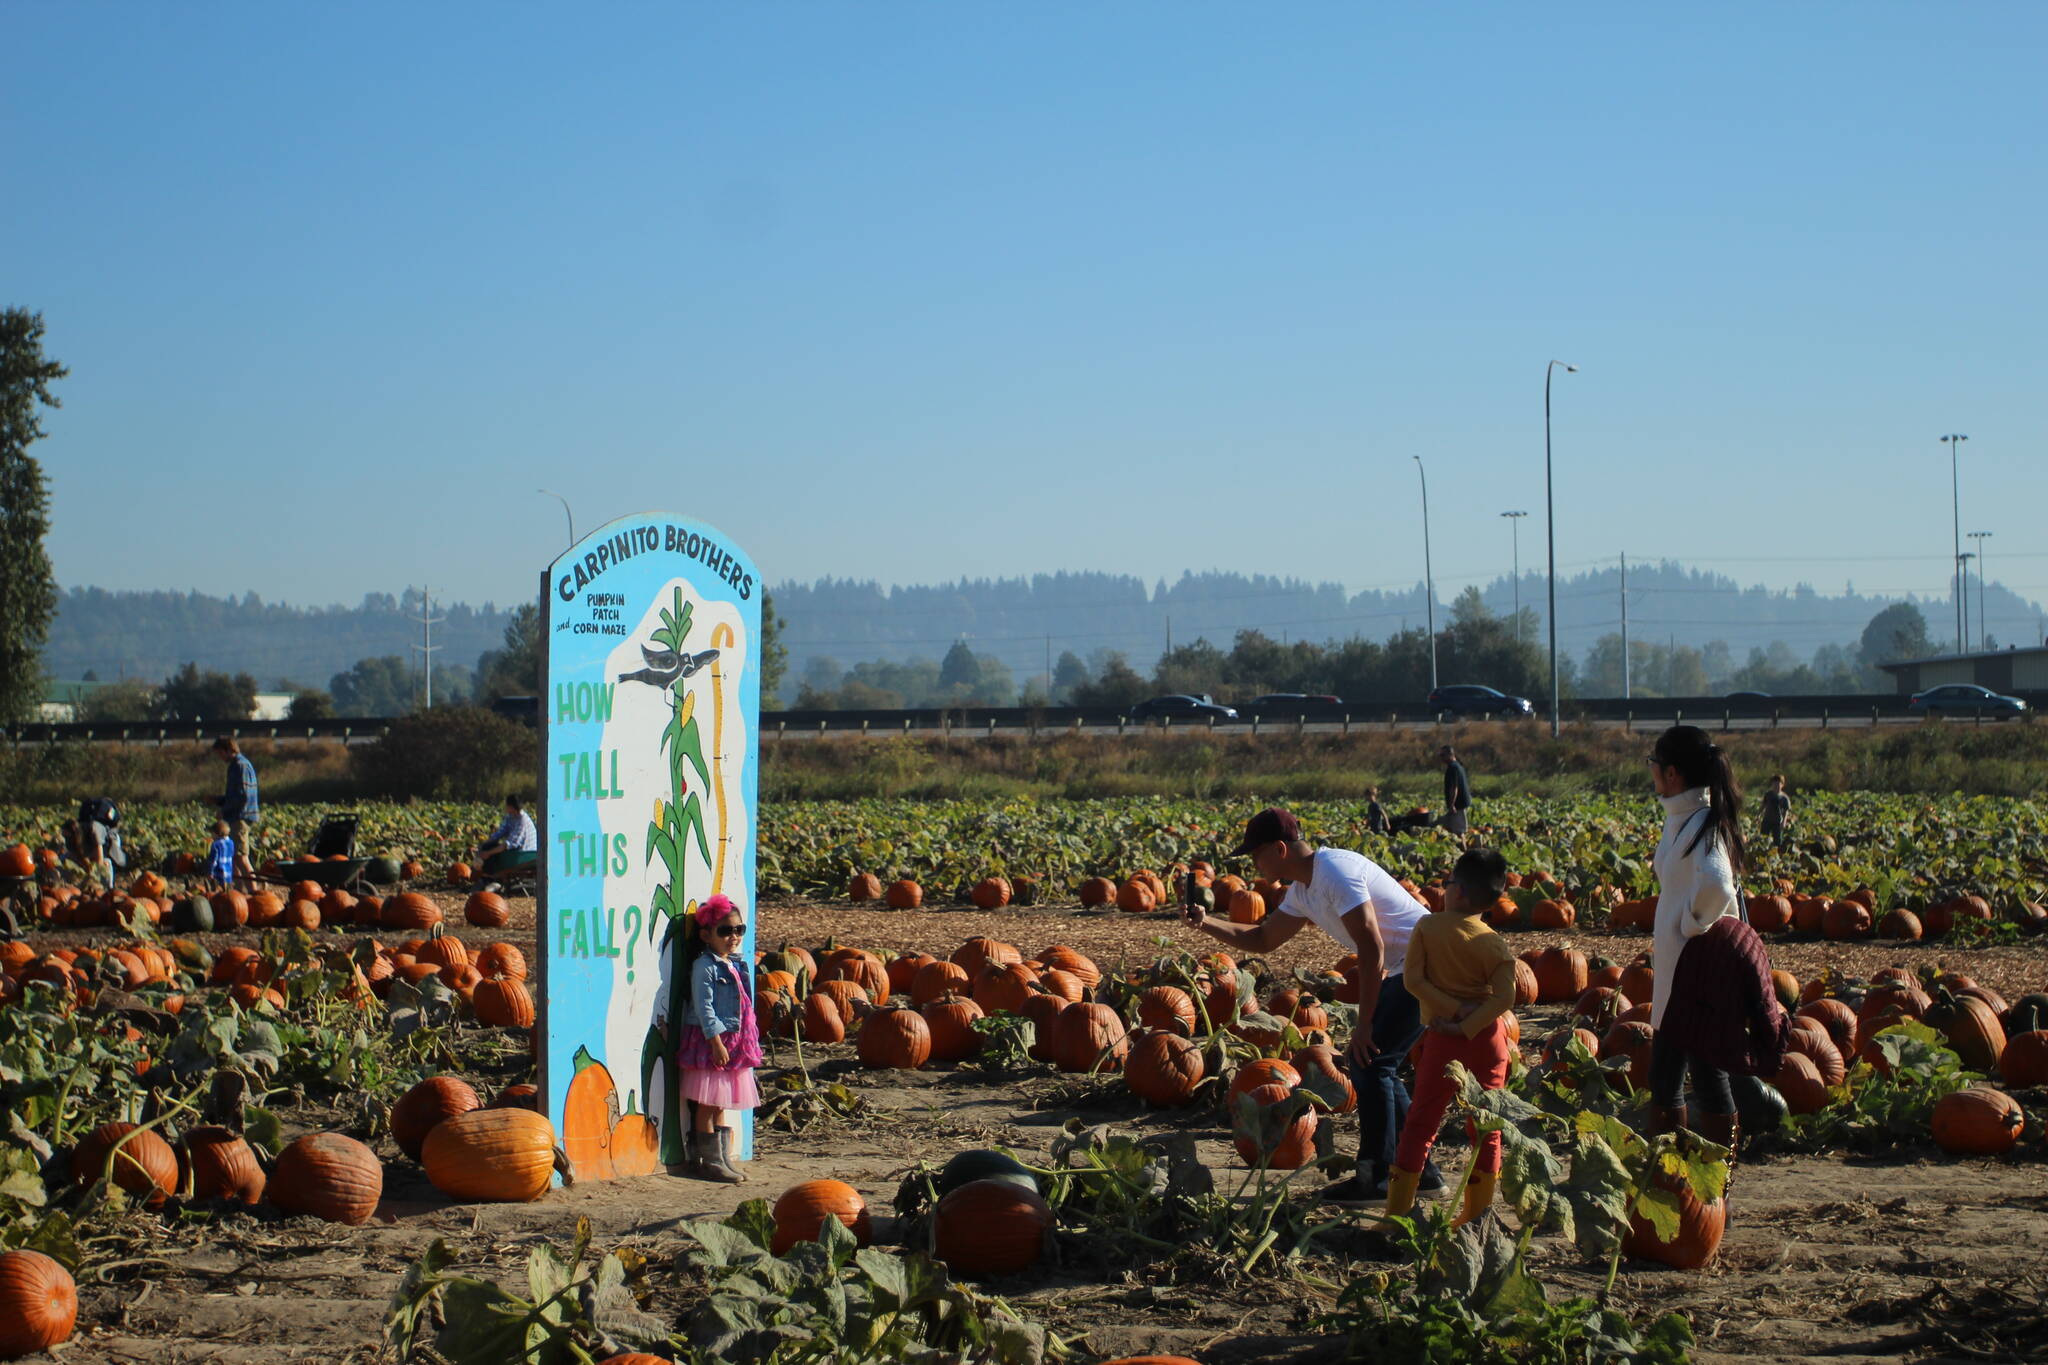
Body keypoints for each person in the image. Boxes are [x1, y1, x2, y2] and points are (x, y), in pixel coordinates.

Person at [1180, 806, 1435, 1207]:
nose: (1252, 862)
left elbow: (1371, 948)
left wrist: (1363, 1024)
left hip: (1428, 963)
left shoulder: (1335, 870)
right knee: (1376, 1065)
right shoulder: (1303, 890)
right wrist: (1205, 923)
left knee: (1372, 1062)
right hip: (1407, 968)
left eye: (1255, 854)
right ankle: (1421, 1171)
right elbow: (1264, 939)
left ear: (1279, 849)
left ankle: (1378, 1175)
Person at [1386, 847, 1520, 1225]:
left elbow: (1413, 981)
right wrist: (1470, 1021)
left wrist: (1452, 1013)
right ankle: (1476, 1217)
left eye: (1446, 884)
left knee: (1421, 1122)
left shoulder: (1428, 927)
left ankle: (1397, 1215)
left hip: (1443, 1039)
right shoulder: (1493, 943)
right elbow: (1507, 997)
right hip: (1488, 1039)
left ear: (1457, 890)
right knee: (1485, 1128)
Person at [1645, 725, 1752, 1147]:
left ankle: (1713, 1192)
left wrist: (1690, 926)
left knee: (1706, 1077)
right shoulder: (1685, 819)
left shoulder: (1702, 826)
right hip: (1683, 974)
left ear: (1672, 773)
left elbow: (1718, 886)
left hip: (1700, 975)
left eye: (1653, 762)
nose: (1650, 770)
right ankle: (1675, 1182)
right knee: (1668, 1076)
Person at [675, 892, 762, 1183]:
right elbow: (704, 1006)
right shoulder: (705, 966)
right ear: (706, 934)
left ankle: (723, 1157)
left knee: (721, 1102)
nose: (734, 936)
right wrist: (714, 1041)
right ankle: (709, 1161)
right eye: (725, 931)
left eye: (739, 930)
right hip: (713, 1041)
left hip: (734, 1041)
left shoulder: (736, 963)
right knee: (708, 1104)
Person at [212, 737, 259, 889]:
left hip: (240, 817)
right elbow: (235, 795)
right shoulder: (236, 766)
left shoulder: (240, 766)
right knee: (234, 857)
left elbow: (242, 796)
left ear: (227, 750)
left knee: (241, 858)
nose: (220, 758)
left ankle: (254, 893)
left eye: (220, 754)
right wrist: (218, 800)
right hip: (236, 816)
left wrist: (223, 809)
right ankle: (240, 892)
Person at [61, 796, 126, 890]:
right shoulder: (73, 836)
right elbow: (73, 854)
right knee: (65, 859)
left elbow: (99, 860)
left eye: (67, 836)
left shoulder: (95, 830)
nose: (66, 839)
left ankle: (107, 889)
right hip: (88, 848)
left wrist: (91, 876)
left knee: (106, 864)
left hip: (107, 846)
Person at [476, 794, 539, 883]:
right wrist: (484, 844)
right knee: (489, 846)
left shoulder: (522, 821)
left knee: (492, 852)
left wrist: (488, 853)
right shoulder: (510, 817)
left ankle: (491, 878)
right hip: (515, 851)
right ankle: (487, 876)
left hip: (524, 853)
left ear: (511, 806)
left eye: (507, 805)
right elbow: (499, 833)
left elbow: (509, 844)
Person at [1438, 747, 1472, 835]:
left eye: (1443, 755)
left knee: (1459, 832)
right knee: (1449, 828)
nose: (1441, 758)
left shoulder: (1453, 768)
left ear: (1450, 754)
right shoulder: (1458, 766)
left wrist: (1452, 805)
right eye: (1440, 755)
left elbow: (1454, 788)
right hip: (1459, 804)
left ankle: (1464, 848)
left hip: (1458, 805)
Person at [1759, 774, 1791, 852]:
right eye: (1774, 784)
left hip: (1777, 822)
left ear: (1782, 785)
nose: (1776, 786)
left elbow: (1786, 811)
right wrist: (1758, 815)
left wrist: (1784, 822)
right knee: (1763, 839)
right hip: (1767, 820)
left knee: (1777, 841)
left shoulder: (1784, 798)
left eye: (1778, 784)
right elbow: (1763, 805)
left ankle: (1776, 855)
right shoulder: (1768, 794)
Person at [205, 819, 237, 893]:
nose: (211, 836)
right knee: (227, 892)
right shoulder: (231, 842)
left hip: (218, 873)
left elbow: (214, 861)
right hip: (228, 872)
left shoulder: (216, 844)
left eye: (212, 833)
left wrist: (210, 873)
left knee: (215, 892)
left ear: (217, 833)